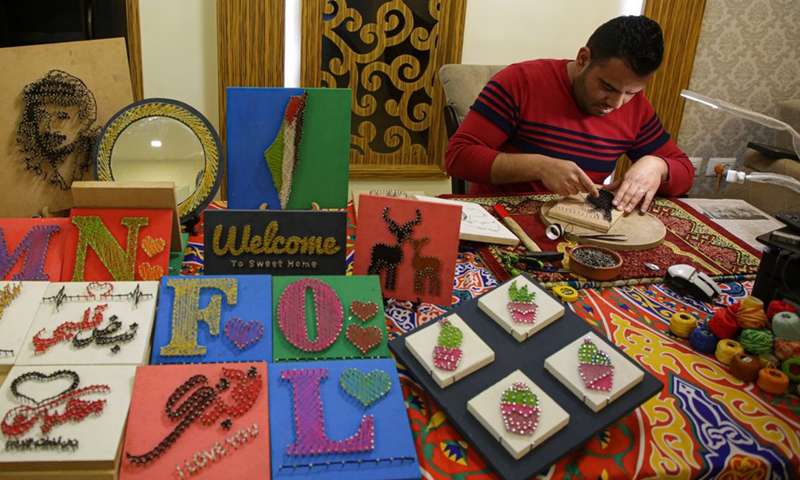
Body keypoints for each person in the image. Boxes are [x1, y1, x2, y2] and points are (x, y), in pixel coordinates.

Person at [445, 15, 694, 213]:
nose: (617, 103)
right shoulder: (521, 82)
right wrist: (539, 166)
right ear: (584, 59)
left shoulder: (636, 107)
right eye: (607, 87)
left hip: (580, 227)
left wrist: (657, 165)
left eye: (631, 92)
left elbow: (684, 171)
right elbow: (458, 156)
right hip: (503, 221)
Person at [16, 69, 100, 190]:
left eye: (61, 117)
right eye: (41, 116)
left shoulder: (96, 160)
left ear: (85, 122)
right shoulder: (34, 164)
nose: (49, 127)